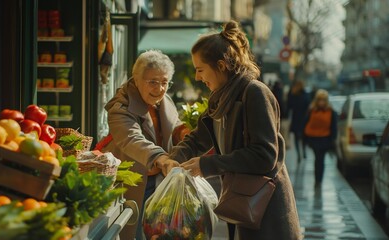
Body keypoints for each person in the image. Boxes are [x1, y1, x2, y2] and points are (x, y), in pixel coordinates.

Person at [169, 20, 301, 239]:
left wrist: (207, 164)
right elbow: (198, 138)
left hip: (266, 215)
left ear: (221, 66)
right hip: (242, 207)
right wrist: (174, 160)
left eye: (200, 70)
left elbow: (265, 155)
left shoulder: (254, 93)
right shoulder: (221, 98)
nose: (197, 77)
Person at [100, 50, 189, 239]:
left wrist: (184, 132)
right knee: (133, 232)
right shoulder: (120, 106)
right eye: (153, 82)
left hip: (160, 181)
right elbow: (131, 138)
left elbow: (173, 124)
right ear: (136, 79)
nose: (160, 88)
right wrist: (160, 158)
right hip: (134, 182)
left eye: (165, 82)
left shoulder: (163, 99)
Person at [304, 89, 338, 189]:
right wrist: (305, 138)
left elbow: (333, 127)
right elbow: (306, 123)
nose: (321, 102)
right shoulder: (312, 110)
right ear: (316, 100)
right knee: (317, 159)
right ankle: (317, 178)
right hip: (314, 138)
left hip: (325, 139)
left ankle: (319, 179)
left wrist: (333, 139)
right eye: (319, 100)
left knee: (320, 159)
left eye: (323, 100)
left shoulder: (331, 112)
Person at [287, 79, 310, 163]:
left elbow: (289, 106)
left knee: (299, 137)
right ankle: (302, 153)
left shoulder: (295, 95)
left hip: (299, 118)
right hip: (301, 119)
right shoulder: (303, 95)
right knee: (301, 137)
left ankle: (300, 154)